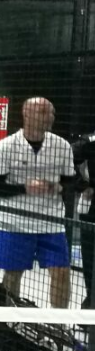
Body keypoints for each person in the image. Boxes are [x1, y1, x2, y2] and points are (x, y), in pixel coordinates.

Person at [0, 97, 79, 307]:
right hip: (14, 223)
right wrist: (25, 188)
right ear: (26, 114)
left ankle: (58, 327)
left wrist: (59, 187)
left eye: (52, 113)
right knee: (13, 275)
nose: (50, 117)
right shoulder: (5, 147)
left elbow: (71, 181)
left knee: (62, 272)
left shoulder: (62, 146)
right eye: (44, 112)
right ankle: (8, 326)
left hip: (51, 223)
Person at [73, 126, 95, 307]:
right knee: (90, 259)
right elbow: (65, 160)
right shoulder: (90, 142)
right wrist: (83, 186)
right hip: (92, 210)